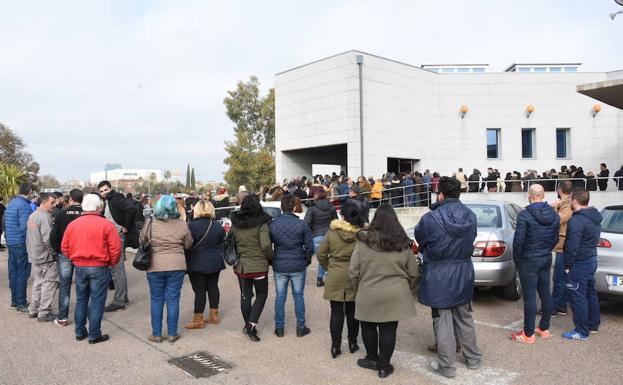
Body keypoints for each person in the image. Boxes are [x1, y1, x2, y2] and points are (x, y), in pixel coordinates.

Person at [414, 177, 482, 379]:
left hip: (439, 273)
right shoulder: (470, 215)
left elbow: (421, 240)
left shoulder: (430, 218)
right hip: (463, 270)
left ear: (440, 194)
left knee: (442, 319)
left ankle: (447, 366)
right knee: (464, 317)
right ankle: (474, 359)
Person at [350, 204, 418, 379]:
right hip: (396, 293)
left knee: (368, 326)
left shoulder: (363, 241)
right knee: (389, 329)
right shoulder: (403, 243)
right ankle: (384, 366)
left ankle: (372, 359)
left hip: (369, 290)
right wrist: (407, 287)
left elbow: (354, 270)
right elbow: (413, 271)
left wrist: (359, 287)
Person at [61, 194, 121, 344]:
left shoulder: (73, 224)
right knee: (97, 301)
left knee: (81, 299)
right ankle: (94, 334)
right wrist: (112, 263)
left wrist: (74, 258)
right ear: (98, 207)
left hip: (80, 266)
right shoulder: (106, 224)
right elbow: (115, 247)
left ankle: (80, 331)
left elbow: (65, 247)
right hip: (99, 266)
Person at [317, 200, 367, 359]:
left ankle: (335, 346)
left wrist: (328, 267)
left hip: (335, 274)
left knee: (336, 312)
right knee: (353, 312)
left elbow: (320, 254)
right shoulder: (361, 233)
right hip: (355, 275)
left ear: (343, 215)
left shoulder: (332, 232)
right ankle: (352, 343)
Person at [510, 185, 559, 344]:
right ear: (543, 195)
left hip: (529, 259)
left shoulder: (524, 214)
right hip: (545, 256)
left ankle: (528, 334)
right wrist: (546, 249)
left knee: (530, 296)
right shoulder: (554, 213)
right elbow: (555, 237)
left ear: (528, 196)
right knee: (545, 292)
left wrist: (518, 259)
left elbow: (518, 241)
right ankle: (544, 329)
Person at [143, 195, 193, 343]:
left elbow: (142, 240)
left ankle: (156, 334)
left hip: (155, 264)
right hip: (176, 265)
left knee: (156, 299)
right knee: (173, 299)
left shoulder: (150, 223)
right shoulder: (182, 224)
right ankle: (172, 333)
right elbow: (188, 244)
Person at [230, 194, 274, 342]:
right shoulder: (261, 224)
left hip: (241, 266)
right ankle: (251, 325)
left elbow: (231, 242)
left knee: (245, 295)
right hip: (258, 266)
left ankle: (246, 324)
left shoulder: (235, 224)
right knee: (262, 294)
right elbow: (266, 245)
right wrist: (271, 257)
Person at [270, 195, 314, 337]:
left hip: (280, 263)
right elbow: (309, 246)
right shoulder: (301, 224)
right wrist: (306, 260)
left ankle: (279, 328)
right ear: (294, 206)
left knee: (280, 296)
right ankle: (301, 327)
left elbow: (266, 244)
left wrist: (272, 260)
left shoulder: (273, 224)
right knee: (298, 295)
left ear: (282, 207)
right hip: (297, 263)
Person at [562, 189, 602, 340]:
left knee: (578, 296)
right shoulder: (595, 217)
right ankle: (593, 325)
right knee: (590, 293)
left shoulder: (577, 220)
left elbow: (572, 245)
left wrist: (567, 265)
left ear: (574, 200)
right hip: (591, 259)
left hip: (579, 263)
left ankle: (581, 331)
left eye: (571, 199)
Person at [184, 200, 226, 329]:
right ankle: (214, 315)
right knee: (213, 287)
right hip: (214, 261)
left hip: (196, 262)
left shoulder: (190, 226)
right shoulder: (217, 225)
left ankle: (198, 320)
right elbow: (221, 241)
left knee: (199, 290)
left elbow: (187, 244)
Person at [97, 181, 136, 312]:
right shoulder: (109, 200)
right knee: (118, 268)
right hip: (114, 236)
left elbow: (131, 209)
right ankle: (122, 297)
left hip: (117, 236)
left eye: (106, 189)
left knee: (116, 268)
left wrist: (125, 226)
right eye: (101, 191)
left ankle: (119, 300)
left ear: (111, 188)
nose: (104, 192)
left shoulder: (116, 198)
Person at [50, 189, 84, 326]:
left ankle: (62, 317)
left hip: (65, 253)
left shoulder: (61, 213)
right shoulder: (86, 214)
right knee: (83, 284)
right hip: (82, 254)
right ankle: (83, 315)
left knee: (65, 285)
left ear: (70, 199)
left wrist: (59, 251)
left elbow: (53, 237)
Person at [26, 193, 59, 322]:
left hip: (35, 255)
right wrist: (54, 254)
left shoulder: (33, 216)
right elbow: (48, 240)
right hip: (46, 257)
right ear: (44, 202)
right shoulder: (45, 218)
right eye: (52, 202)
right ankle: (44, 312)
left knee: (38, 283)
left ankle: (33, 309)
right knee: (49, 284)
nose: (55, 205)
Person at [5, 183, 33, 313]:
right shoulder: (24, 206)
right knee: (22, 273)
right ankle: (21, 302)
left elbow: (5, 221)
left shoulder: (12, 203)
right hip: (21, 243)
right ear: (30, 191)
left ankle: (14, 300)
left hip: (11, 242)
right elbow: (25, 227)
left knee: (13, 272)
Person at [304, 190, 338, 287]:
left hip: (316, 235)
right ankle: (320, 278)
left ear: (316, 196)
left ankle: (322, 278)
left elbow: (306, 223)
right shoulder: (331, 207)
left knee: (321, 258)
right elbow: (336, 221)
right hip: (330, 235)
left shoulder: (312, 209)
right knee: (328, 258)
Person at [549, 181, 573, 316]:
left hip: (562, 245)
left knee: (559, 278)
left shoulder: (566, 204)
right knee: (561, 277)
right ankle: (561, 305)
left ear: (559, 190)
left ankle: (554, 307)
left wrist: (552, 207)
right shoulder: (566, 203)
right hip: (562, 245)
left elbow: (558, 219)